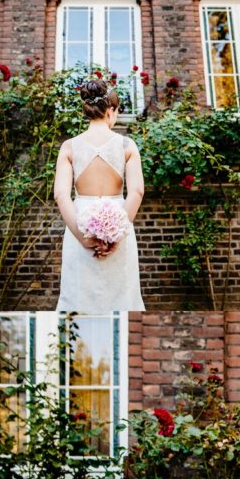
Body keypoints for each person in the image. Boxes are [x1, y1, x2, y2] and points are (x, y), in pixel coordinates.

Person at [53, 78, 145, 311]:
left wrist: (83, 237)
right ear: (110, 111)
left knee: (78, 298)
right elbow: (137, 191)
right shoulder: (127, 145)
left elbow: (61, 196)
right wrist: (116, 234)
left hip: (80, 225)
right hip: (119, 225)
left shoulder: (69, 147)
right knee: (122, 300)